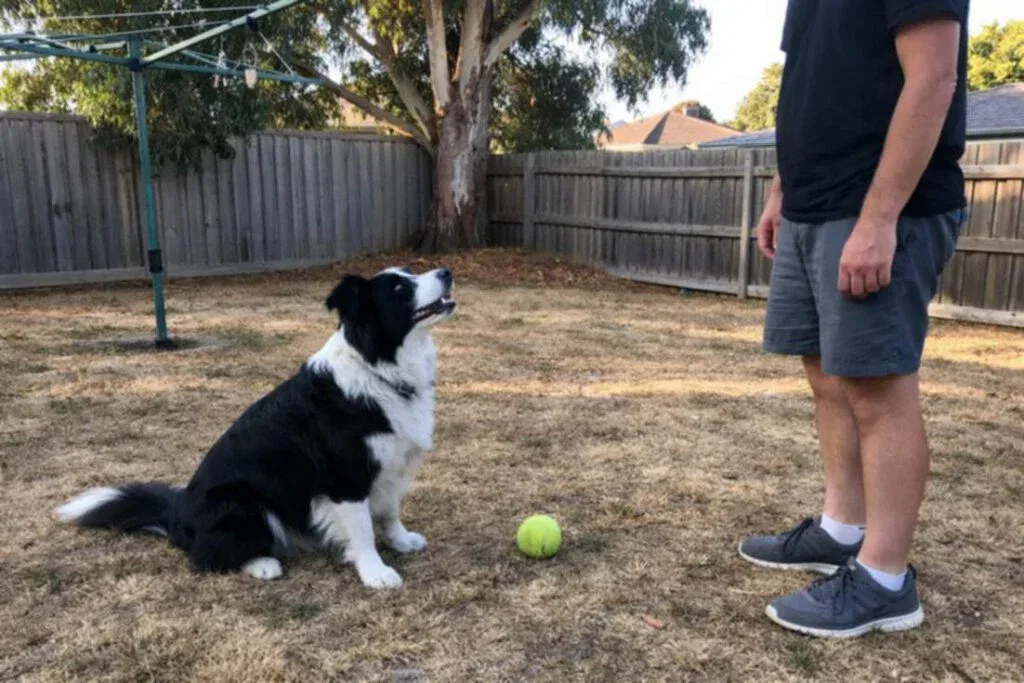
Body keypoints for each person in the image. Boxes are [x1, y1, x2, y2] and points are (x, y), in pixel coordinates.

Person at [739, 0, 969, 638]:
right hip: (813, 205)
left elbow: (933, 77)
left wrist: (879, 219)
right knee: (826, 373)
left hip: (880, 206)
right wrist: (783, 191)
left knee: (876, 386)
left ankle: (886, 580)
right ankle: (843, 528)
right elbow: (810, 85)